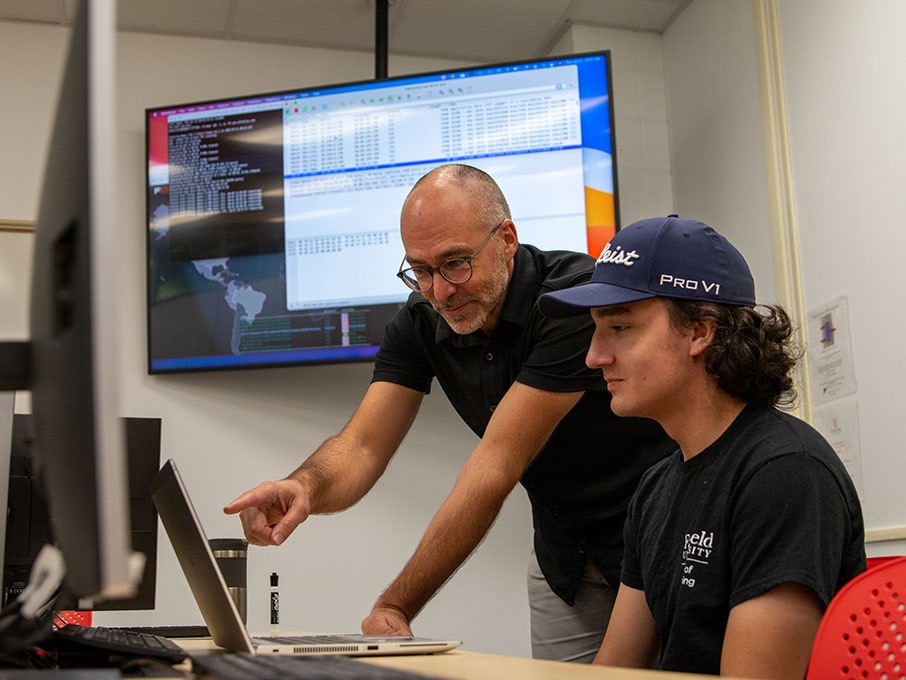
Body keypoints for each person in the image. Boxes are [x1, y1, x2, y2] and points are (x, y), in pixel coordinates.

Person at [223, 164, 675, 662]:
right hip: (566, 555)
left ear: (506, 239)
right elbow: (363, 444)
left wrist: (397, 603)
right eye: (420, 270)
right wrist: (303, 486)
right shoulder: (418, 321)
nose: (439, 291)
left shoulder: (571, 302)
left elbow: (494, 466)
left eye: (456, 263)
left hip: (664, 538)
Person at [538, 215, 866, 677]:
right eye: (595, 329)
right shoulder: (655, 489)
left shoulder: (786, 474)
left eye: (620, 327)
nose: (595, 356)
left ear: (699, 331)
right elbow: (614, 670)